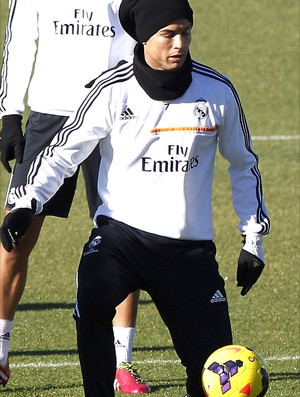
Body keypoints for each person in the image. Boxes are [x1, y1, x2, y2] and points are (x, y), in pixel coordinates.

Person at [0, 0, 271, 395]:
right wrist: (28, 202)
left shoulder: (218, 92)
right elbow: (62, 153)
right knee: (91, 300)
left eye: (185, 31)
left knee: (215, 375)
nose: (180, 43)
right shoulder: (112, 90)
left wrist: (252, 242)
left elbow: (244, 165)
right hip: (120, 240)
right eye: (168, 34)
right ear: (143, 37)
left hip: (189, 252)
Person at [0, 0, 150, 393]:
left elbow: (147, 33)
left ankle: (123, 363)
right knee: (13, 239)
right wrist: (10, 115)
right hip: (50, 117)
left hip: (116, 115)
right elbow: (18, 42)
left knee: (123, 237)